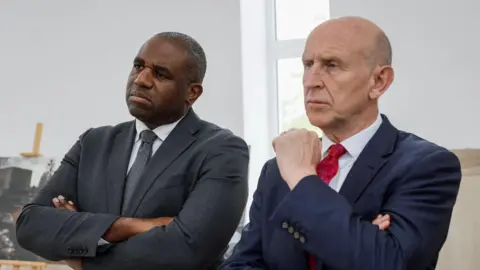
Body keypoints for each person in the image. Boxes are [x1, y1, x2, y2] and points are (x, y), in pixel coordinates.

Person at [221, 16, 462, 270]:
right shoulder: (277, 170)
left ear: (379, 81)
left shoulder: (427, 166)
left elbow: (387, 263)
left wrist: (303, 179)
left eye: (332, 65)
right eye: (307, 64)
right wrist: (357, 238)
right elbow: (240, 264)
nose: (310, 81)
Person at [15, 32, 250, 270]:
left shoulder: (222, 150)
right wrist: (128, 226)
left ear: (192, 93)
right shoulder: (93, 143)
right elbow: (29, 225)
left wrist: (84, 255)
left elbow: (189, 249)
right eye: (138, 66)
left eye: (160, 74)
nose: (141, 80)